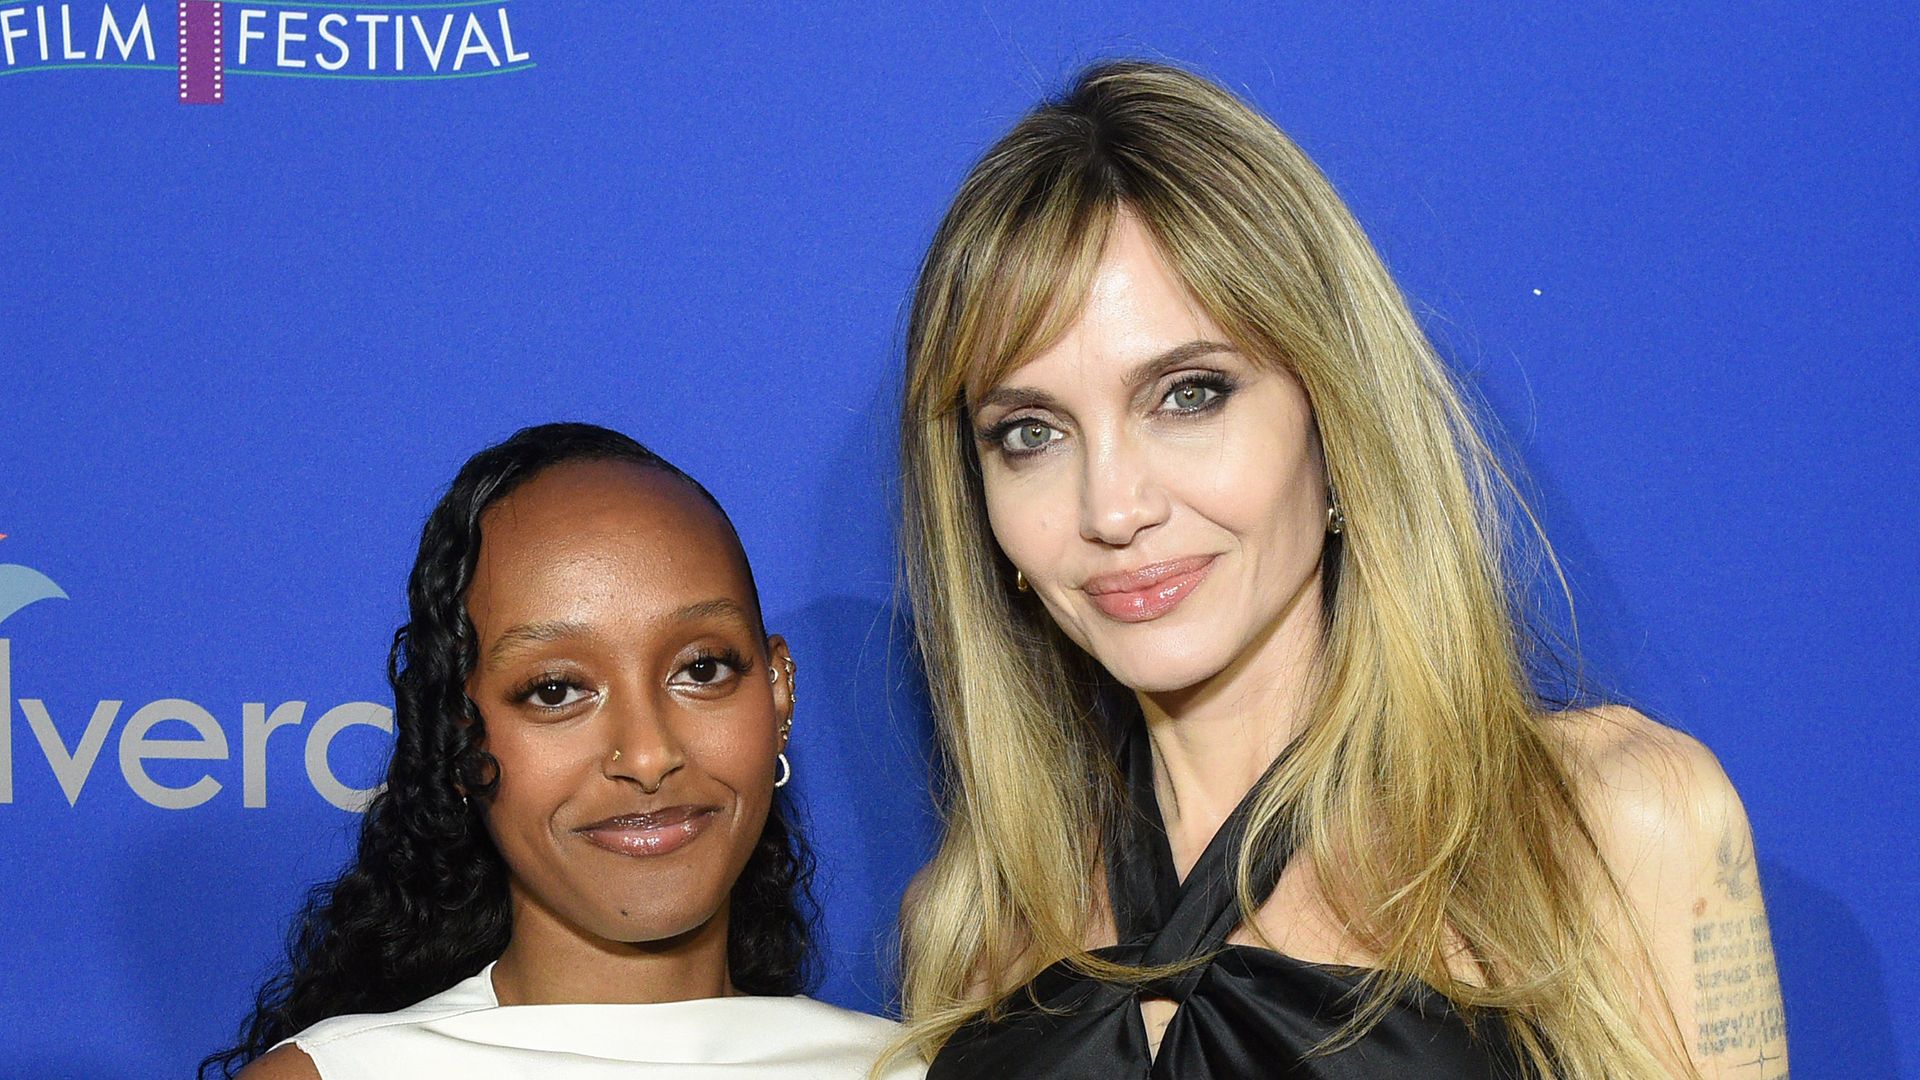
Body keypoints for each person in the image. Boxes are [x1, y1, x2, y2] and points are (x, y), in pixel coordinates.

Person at [892, 61, 1785, 1080]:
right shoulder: (972, 927)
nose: (1112, 507)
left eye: (1189, 394)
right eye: (1031, 433)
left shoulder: (1608, 826)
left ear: (1335, 420)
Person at [204, 423, 923, 1080]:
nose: (646, 756)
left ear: (777, 693)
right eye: (555, 691)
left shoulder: (909, 1070)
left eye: (701, 669)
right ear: (457, 738)